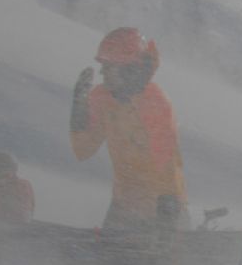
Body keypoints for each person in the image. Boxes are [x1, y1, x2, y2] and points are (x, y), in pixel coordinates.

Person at [70, 26, 189, 231]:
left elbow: (166, 162)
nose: (102, 71)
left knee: (160, 261)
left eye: (109, 65)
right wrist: (78, 113)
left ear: (128, 68)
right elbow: (83, 150)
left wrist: (167, 212)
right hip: (123, 207)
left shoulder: (155, 104)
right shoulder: (102, 97)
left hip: (163, 209)